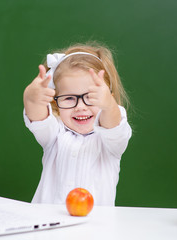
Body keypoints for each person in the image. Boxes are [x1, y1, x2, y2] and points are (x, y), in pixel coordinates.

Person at [23, 42, 132, 206]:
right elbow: (38, 118)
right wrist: (31, 99)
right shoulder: (55, 134)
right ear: (56, 100)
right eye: (69, 98)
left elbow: (114, 125)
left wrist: (108, 106)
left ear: (108, 98)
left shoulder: (109, 142)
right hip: (45, 225)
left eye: (90, 97)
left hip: (95, 228)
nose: (80, 107)